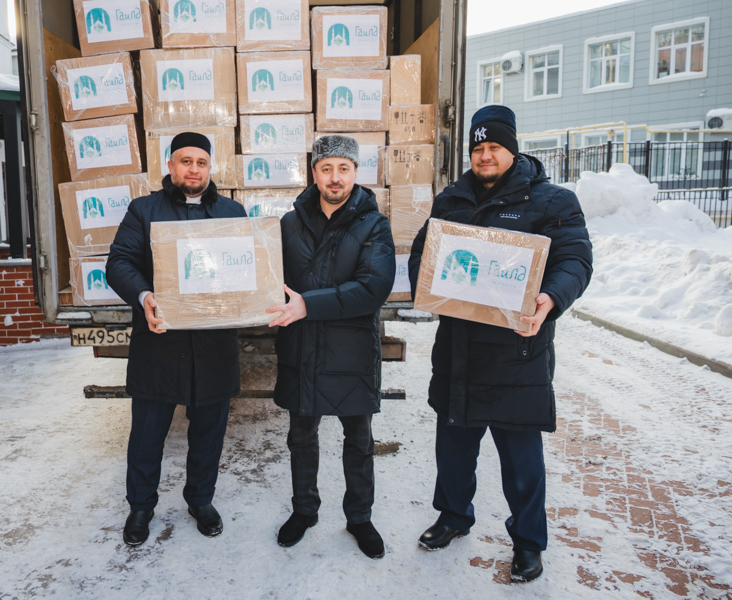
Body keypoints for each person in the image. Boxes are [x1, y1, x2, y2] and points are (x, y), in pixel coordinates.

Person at [408, 105, 593, 582]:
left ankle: (528, 541)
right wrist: (427, 286)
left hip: (517, 352)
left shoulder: (551, 202)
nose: (485, 155)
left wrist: (551, 298)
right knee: (453, 449)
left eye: (494, 147)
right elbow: (422, 253)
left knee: (521, 460)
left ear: (512, 149)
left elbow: (574, 259)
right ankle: (453, 516)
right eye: (478, 148)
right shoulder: (451, 200)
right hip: (459, 349)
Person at [106, 132, 247, 547]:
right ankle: (141, 506)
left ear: (210, 167)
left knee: (209, 431)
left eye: (201, 162)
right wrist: (144, 295)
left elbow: (249, 267)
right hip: (160, 341)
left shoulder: (232, 212)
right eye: (185, 161)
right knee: (147, 433)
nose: (194, 170)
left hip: (214, 343)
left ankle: (200, 500)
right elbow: (120, 262)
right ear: (170, 166)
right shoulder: (144, 210)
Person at [267, 135, 396, 559]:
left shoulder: (373, 225)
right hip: (301, 346)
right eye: (326, 168)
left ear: (356, 172)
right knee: (301, 436)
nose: (335, 177)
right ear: (314, 173)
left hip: (350, 351)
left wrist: (307, 305)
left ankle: (359, 518)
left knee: (358, 438)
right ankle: (304, 509)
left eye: (343, 168)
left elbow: (372, 289)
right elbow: (268, 278)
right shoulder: (289, 224)